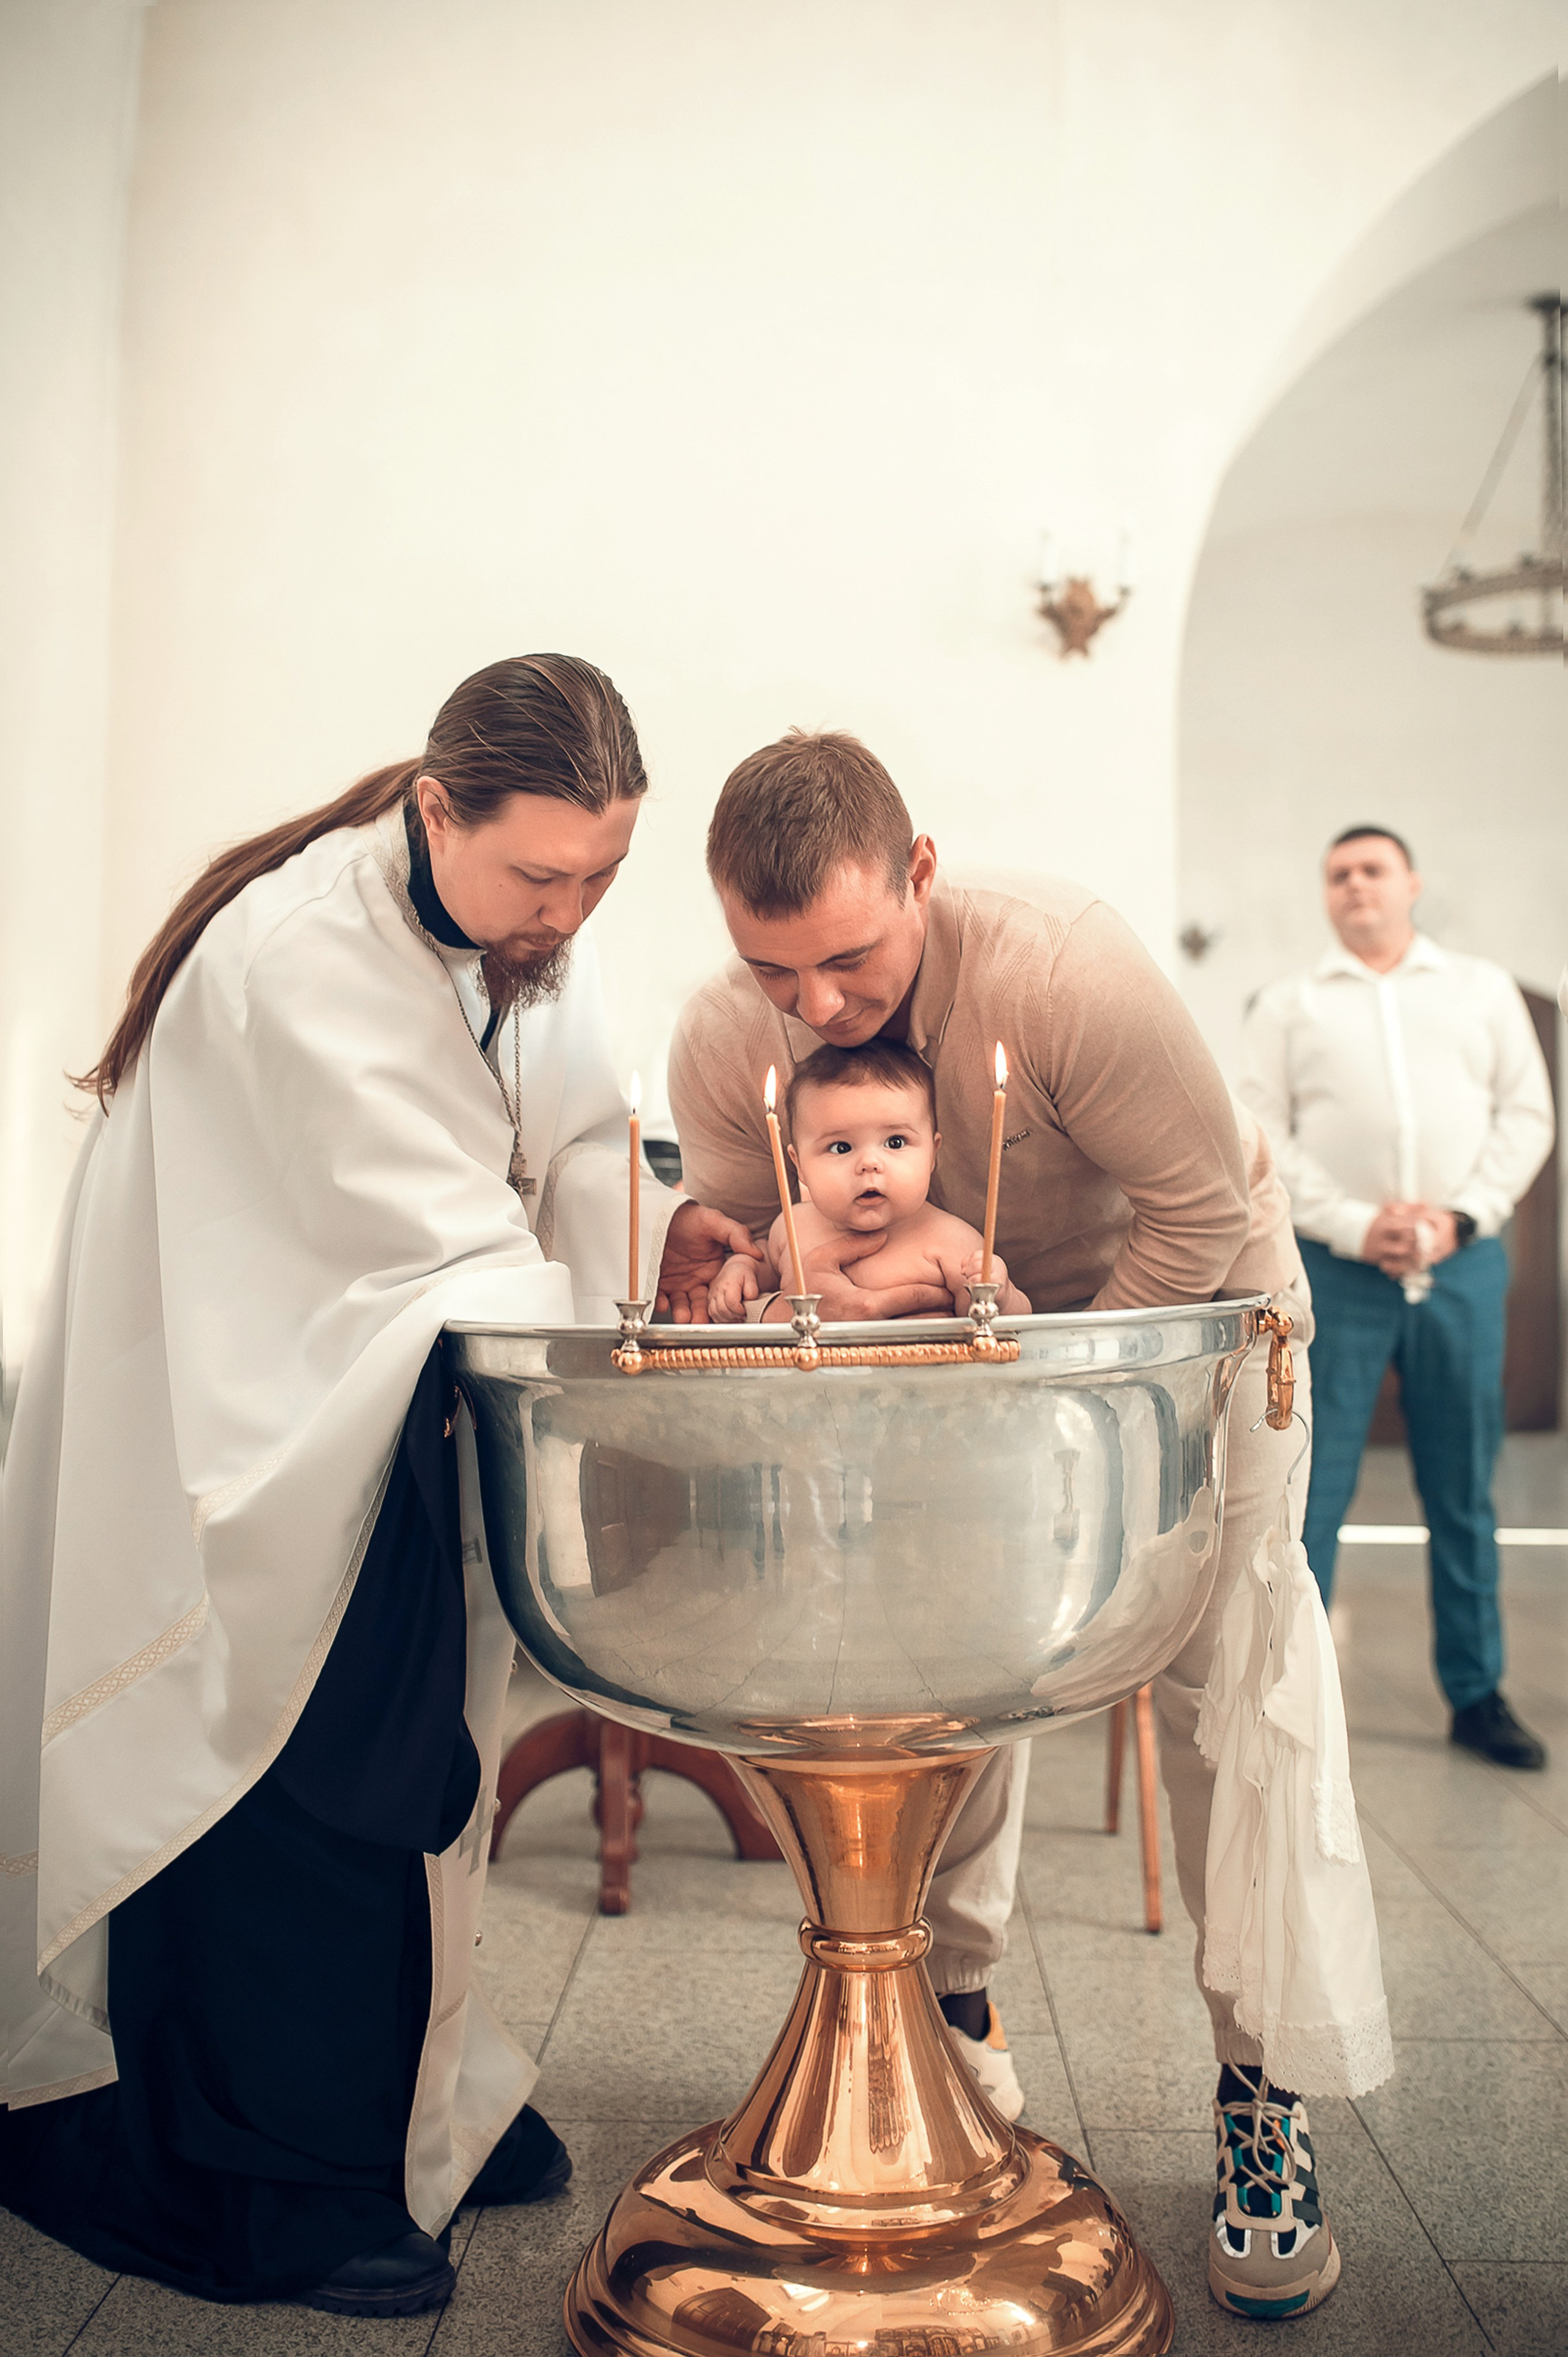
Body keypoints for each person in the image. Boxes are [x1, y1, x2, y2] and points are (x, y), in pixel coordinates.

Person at [0, 656, 756, 2316]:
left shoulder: (523, 930)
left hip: (382, 1401)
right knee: (304, 1777)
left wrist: (661, 1234)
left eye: (602, 874)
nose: (569, 911)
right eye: (540, 874)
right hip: (254, 1432)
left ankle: (409, 2098)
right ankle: (268, 2173)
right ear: (435, 809)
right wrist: (611, 1320)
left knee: (415, 1774)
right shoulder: (299, 953)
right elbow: (436, 1242)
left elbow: (572, 1146)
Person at [671, 728, 1392, 2324]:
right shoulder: (727, 1037)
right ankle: (956, 2014)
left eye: (849, 960)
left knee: (1226, 1692)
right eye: (774, 970)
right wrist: (739, 1275)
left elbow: (1198, 1214)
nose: (815, 1007)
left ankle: (1259, 2095)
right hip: (953, 1361)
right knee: (939, 1669)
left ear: (920, 875)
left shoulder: (1064, 968)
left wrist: (1057, 1406)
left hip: (1199, 1317)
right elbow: (772, 1266)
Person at [1240, 824, 1555, 1772]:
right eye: (1338, 873)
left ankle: (1477, 1693)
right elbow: (1261, 1134)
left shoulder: (1481, 990)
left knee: (1462, 1489)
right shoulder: (1290, 1004)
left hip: (1462, 1266)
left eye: (1373, 869)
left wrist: (1461, 1216)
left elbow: (1527, 1116)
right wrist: (1353, 1222)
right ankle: (1295, 1696)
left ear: (1411, 883)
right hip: (1337, 1270)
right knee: (1315, 1487)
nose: (1355, 885)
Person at [707, 1039, 1030, 1321]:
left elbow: (1010, 1325)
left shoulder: (953, 1242)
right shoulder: (792, 1227)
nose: (869, 1164)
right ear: (799, 1165)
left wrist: (1001, 1295)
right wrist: (740, 1270)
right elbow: (763, 1266)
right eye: (841, 1147)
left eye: (895, 1142)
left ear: (932, 1155)